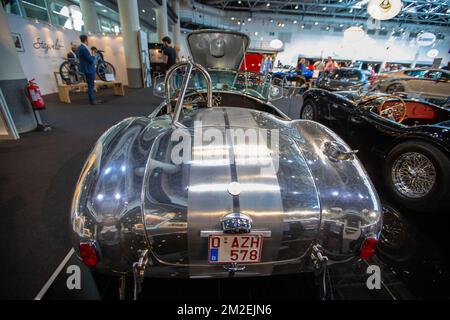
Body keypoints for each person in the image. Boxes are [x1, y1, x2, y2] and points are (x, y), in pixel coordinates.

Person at [76, 35, 101, 105]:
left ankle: (92, 99)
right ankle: (92, 100)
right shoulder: (84, 48)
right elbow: (90, 60)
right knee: (91, 85)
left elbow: (78, 57)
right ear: (86, 39)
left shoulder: (79, 48)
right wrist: (93, 55)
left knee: (90, 84)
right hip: (89, 69)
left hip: (84, 68)